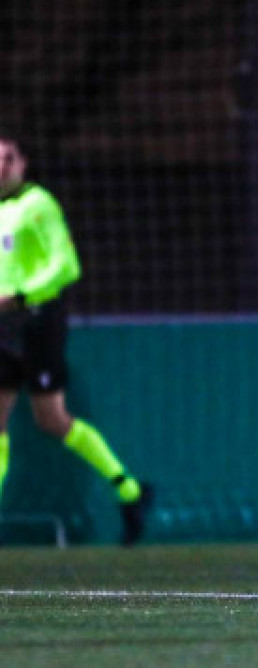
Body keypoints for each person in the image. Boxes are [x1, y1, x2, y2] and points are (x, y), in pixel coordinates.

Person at [0, 134, 153, 546]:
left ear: (23, 163)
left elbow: (66, 265)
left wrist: (21, 296)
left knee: (51, 420)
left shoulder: (39, 205)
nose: (2, 166)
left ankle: (129, 490)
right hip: (3, 326)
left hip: (38, 321)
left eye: (8, 158)